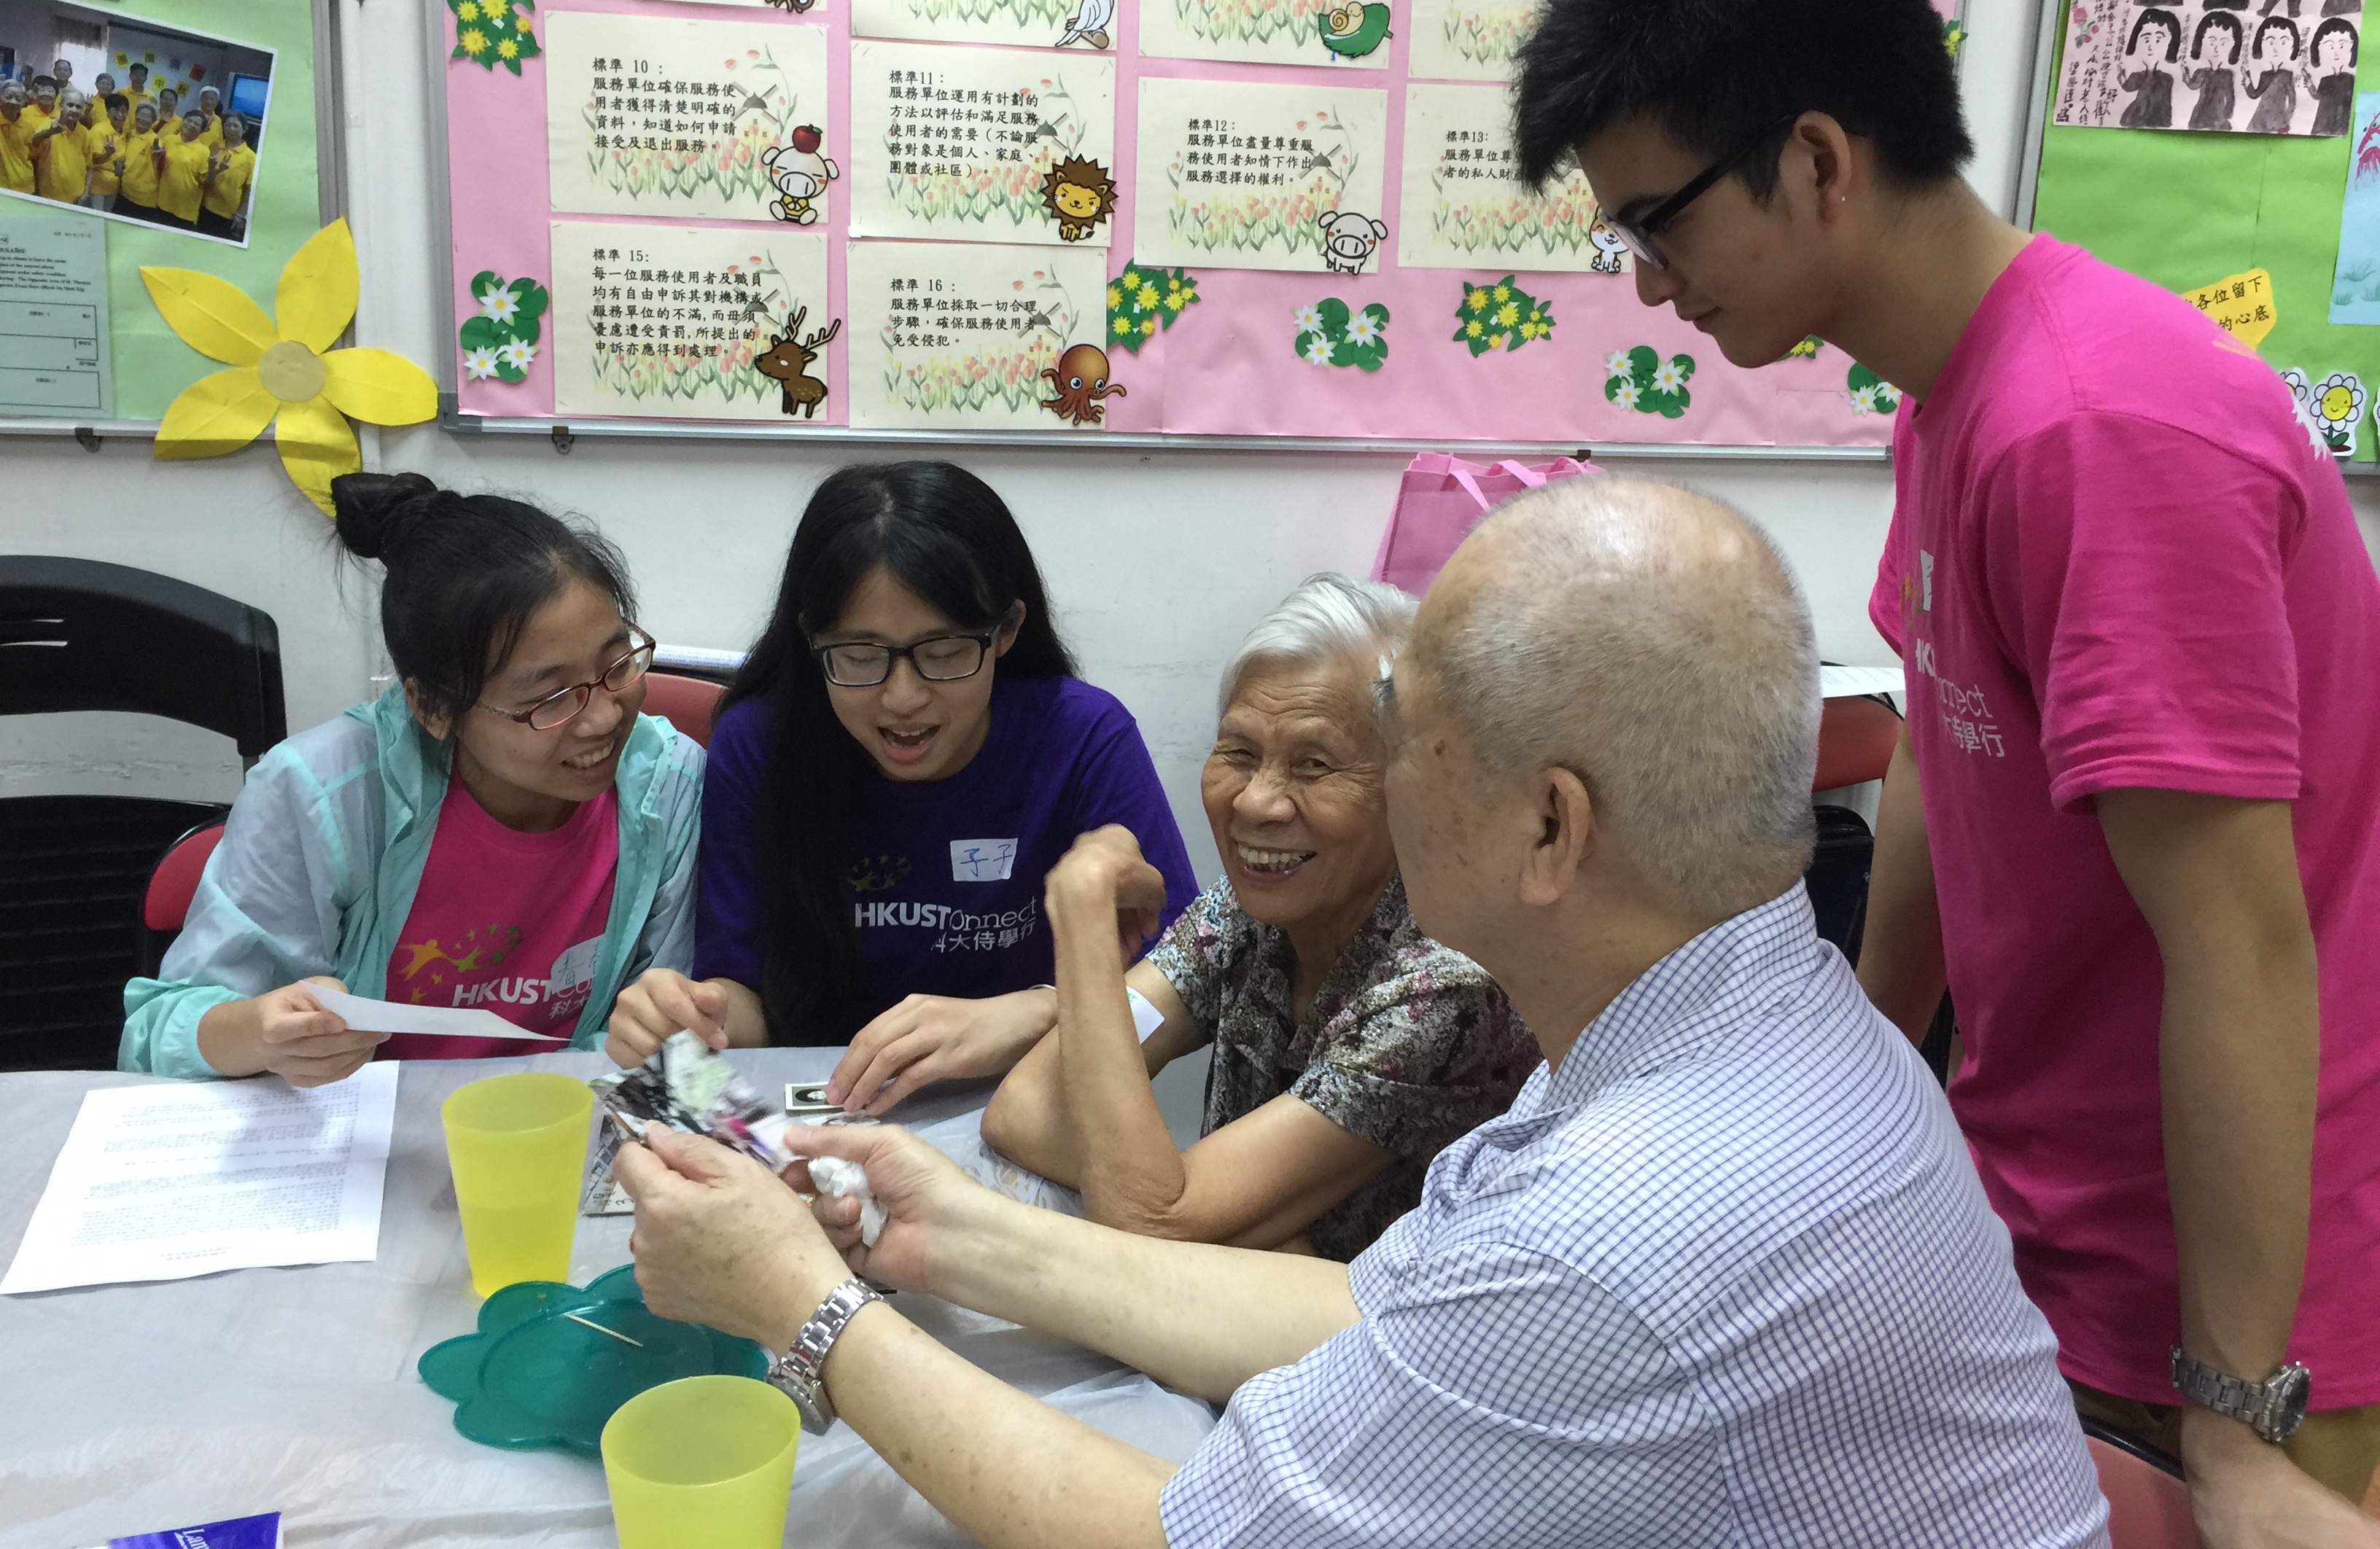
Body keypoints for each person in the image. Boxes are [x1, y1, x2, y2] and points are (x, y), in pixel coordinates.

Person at [614, 478, 2110, 1549]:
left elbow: (1176, 1531)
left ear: (1549, 829)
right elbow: (1368, 1316)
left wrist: (804, 1312)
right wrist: (947, 1229)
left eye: (1409, 746)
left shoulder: (1615, 1229)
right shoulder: (1741, 1014)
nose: (1336, 796)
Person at [1509, 0, 2380, 1543]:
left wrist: (2239, 1408)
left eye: (1656, 221)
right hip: (2039, 1217)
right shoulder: (1950, 392)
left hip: (2218, 1301)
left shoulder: (2099, 427)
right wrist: (1838, 1069)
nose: (1649, 285)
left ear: (1814, 159)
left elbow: (2243, 943)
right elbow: (1935, 764)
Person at [605, 461, 1198, 1112]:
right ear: (810, 640)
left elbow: (1192, 982)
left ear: (1005, 632)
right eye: (859, 656)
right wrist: (698, 1017)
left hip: (1025, 1105)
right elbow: (746, 999)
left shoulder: (1081, 734)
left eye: (944, 653)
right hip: (827, 1111)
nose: (903, 698)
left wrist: (1039, 1011)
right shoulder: (762, 743)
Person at [982, 574, 1538, 1258]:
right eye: (1239, 754)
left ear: (1412, 788)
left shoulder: (1445, 989)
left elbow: (1151, 1214)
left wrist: (1085, 927)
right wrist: (1184, 1198)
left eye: (1314, 764)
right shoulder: (1251, 910)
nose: (1256, 803)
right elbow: (1024, 1108)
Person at [122, 473, 704, 1082]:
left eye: (618, 664)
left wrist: (673, 1024)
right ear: (431, 706)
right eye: (552, 696)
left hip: (560, 1129)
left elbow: (666, 1044)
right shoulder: (322, 794)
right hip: (368, 1137)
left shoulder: (664, 783)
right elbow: (154, 1035)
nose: (606, 717)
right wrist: (262, 1035)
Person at [153, 108, 214, 227]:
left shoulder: (204, 152)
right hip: (163, 203)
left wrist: (213, 171)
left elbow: (204, 182)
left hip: (186, 211)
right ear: (184, 120)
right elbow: (159, 167)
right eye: (189, 120)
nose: (191, 125)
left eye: (196, 124)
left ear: (202, 131)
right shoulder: (169, 139)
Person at [197, 112, 254, 238]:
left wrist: (241, 215)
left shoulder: (251, 157)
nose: (231, 129)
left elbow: (249, 189)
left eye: (236, 126)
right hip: (204, 207)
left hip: (229, 215)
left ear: (244, 129)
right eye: (228, 125)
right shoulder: (214, 147)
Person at [32, 87, 88, 203]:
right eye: (70, 105)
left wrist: (86, 192)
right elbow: (34, 141)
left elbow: (90, 166)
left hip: (77, 197)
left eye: (78, 107)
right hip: (50, 195)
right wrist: (50, 132)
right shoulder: (49, 124)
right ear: (61, 106)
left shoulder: (85, 133)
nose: (74, 110)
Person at [112, 98, 163, 220]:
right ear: (136, 115)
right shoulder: (130, 134)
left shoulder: (154, 140)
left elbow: (159, 159)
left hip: (144, 199)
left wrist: (158, 156)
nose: (144, 119)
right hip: (124, 193)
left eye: (148, 116)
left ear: (154, 121)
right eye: (141, 114)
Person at [0, 79, 35, 197]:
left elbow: (33, 155)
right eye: (8, 97)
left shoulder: (29, 126)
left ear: (25, 102)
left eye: (18, 99)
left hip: (25, 187)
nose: (13, 102)